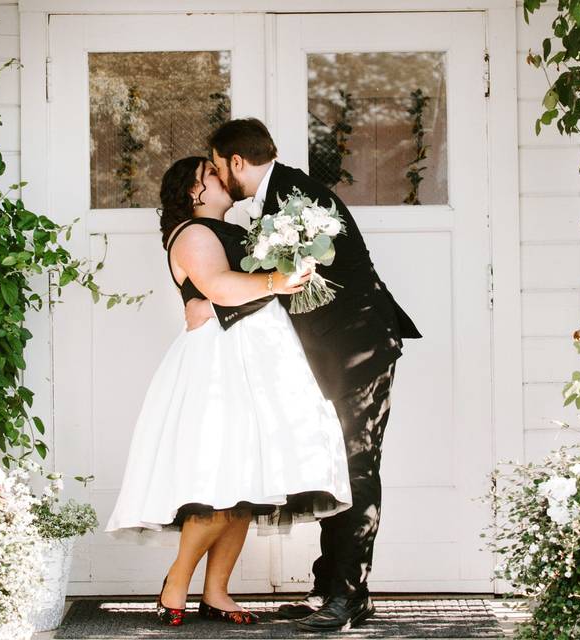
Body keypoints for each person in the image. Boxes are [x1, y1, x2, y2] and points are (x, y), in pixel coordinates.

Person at [185, 118, 422, 632]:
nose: (220, 177)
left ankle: (350, 596)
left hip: (358, 350)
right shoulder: (280, 196)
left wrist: (224, 300)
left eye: (218, 164)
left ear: (236, 161)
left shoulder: (298, 199)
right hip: (328, 355)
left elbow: (295, 282)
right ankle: (328, 587)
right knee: (335, 467)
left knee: (357, 470)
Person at [105, 156, 352, 627]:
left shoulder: (239, 230)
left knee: (246, 487)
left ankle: (217, 592)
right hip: (220, 363)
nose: (223, 178)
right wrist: (278, 281)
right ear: (193, 191)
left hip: (262, 358)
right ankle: (176, 581)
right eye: (212, 175)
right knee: (216, 484)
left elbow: (240, 289)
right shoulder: (193, 233)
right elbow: (218, 287)